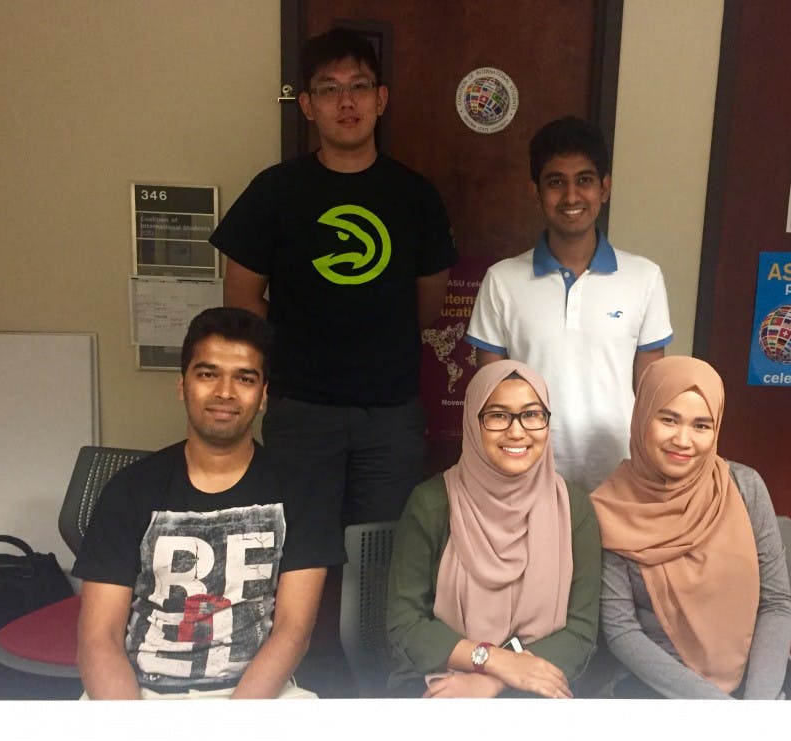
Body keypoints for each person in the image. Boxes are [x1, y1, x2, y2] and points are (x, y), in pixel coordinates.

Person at [210, 27, 458, 528]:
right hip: (301, 409)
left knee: (382, 548)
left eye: (359, 86)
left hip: (390, 413)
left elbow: (428, 303)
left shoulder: (416, 195)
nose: (346, 102)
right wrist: (297, 341)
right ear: (307, 105)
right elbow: (241, 297)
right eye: (329, 88)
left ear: (380, 99)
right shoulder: (275, 190)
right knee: (300, 544)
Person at [73, 307, 345, 699]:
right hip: (139, 694)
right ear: (182, 385)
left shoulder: (303, 492)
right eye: (207, 374)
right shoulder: (129, 490)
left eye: (245, 378)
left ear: (263, 395)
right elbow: (100, 639)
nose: (225, 392)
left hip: (257, 695)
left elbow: (293, 633)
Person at [466, 116, 672, 492]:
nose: (571, 197)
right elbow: (490, 396)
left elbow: (652, 393)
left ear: (605, 188)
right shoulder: (502, 280)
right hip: (526, 476)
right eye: (556, 182)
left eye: (585, 180)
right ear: (536, 192)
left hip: (621, 477)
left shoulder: (644, 277)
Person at [386, 360, 600, 698]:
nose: (517, 431)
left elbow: (581, 632)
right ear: (473, 422)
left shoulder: (573, 508)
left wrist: (495, 678)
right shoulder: (432, 503)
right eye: (499, 415)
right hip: (442, 676)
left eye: (532, 414)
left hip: (540, 679)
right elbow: (406, 624)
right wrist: (492, 660)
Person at [590, 355, 791, 699]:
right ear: (642, 417)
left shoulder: (744, 487)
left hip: (755, 676)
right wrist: (716, 707)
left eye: (701, 425)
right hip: (657, 680)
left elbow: (777, 602)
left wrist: (757, 706)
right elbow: (621, 631)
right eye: (669, 420)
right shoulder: (609, 508)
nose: (683, 440)